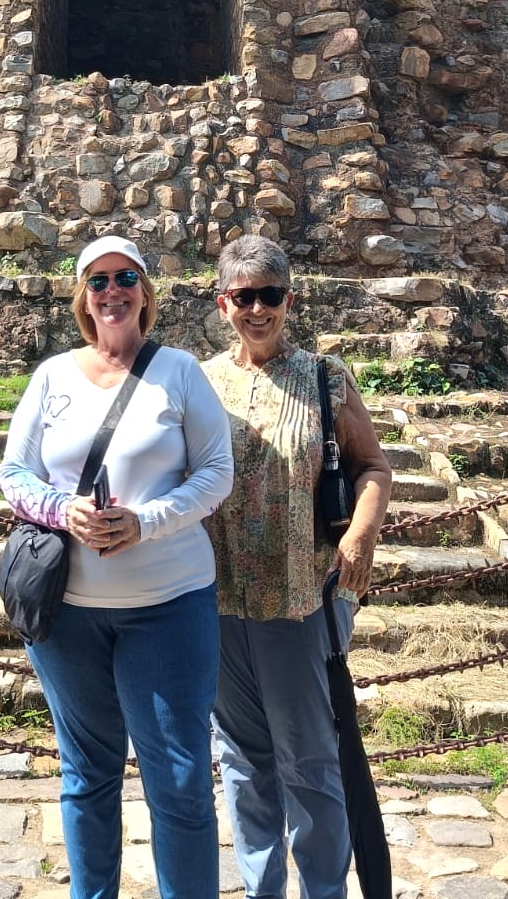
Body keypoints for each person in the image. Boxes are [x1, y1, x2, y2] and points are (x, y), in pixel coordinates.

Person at [0, 234, 233, 899]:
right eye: (98, 280)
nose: (112, 291)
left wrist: (147, 521)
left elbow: (218, 472)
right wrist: (58, 510)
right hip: (69, 613)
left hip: (169, 603)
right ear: (83, 296)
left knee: (181, 780)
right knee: (87, 773)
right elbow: (14, 473)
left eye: (125, 277)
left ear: (144, 292)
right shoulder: (52, 376)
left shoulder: (180, 372)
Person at [201, 235, 393, 899]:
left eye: (271, 295)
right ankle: (262, 888)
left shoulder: (325, 377)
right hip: (219, 600)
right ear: (223, 302)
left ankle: (323, 890)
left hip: (301, 598)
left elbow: (372, 466)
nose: (258, 310)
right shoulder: (200, 382)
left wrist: (362, 535)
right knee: (245, 763)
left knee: (310, 763)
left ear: (290, 298)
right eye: (244, 296)